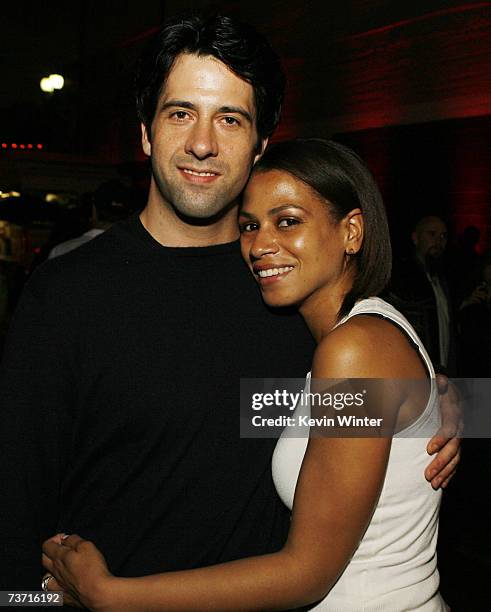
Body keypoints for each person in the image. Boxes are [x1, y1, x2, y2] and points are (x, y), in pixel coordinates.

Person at [1, 15, 458, 595]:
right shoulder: (67, 294)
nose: (202, 142)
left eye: (230, 119)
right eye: (180, 112)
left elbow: (295, 411)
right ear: (145, 133)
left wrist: (444, 405)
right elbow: (15, 504)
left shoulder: (288, 286)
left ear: (261, 144)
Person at [42, 139, 450, 610]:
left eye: (288, 221)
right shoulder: (351, 334)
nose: (260, 244)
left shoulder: (352, 348)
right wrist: (458, 405)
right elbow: (264, 412)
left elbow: (307, 573)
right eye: (250, 225)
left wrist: (109, 594)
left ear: (352, 232)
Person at [388, 215, 457, 374]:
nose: (438, 242)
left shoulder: (443, 278)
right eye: (432, 234)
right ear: (416, 238)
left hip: (443, 373)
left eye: (443, 236)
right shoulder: (401, 278)